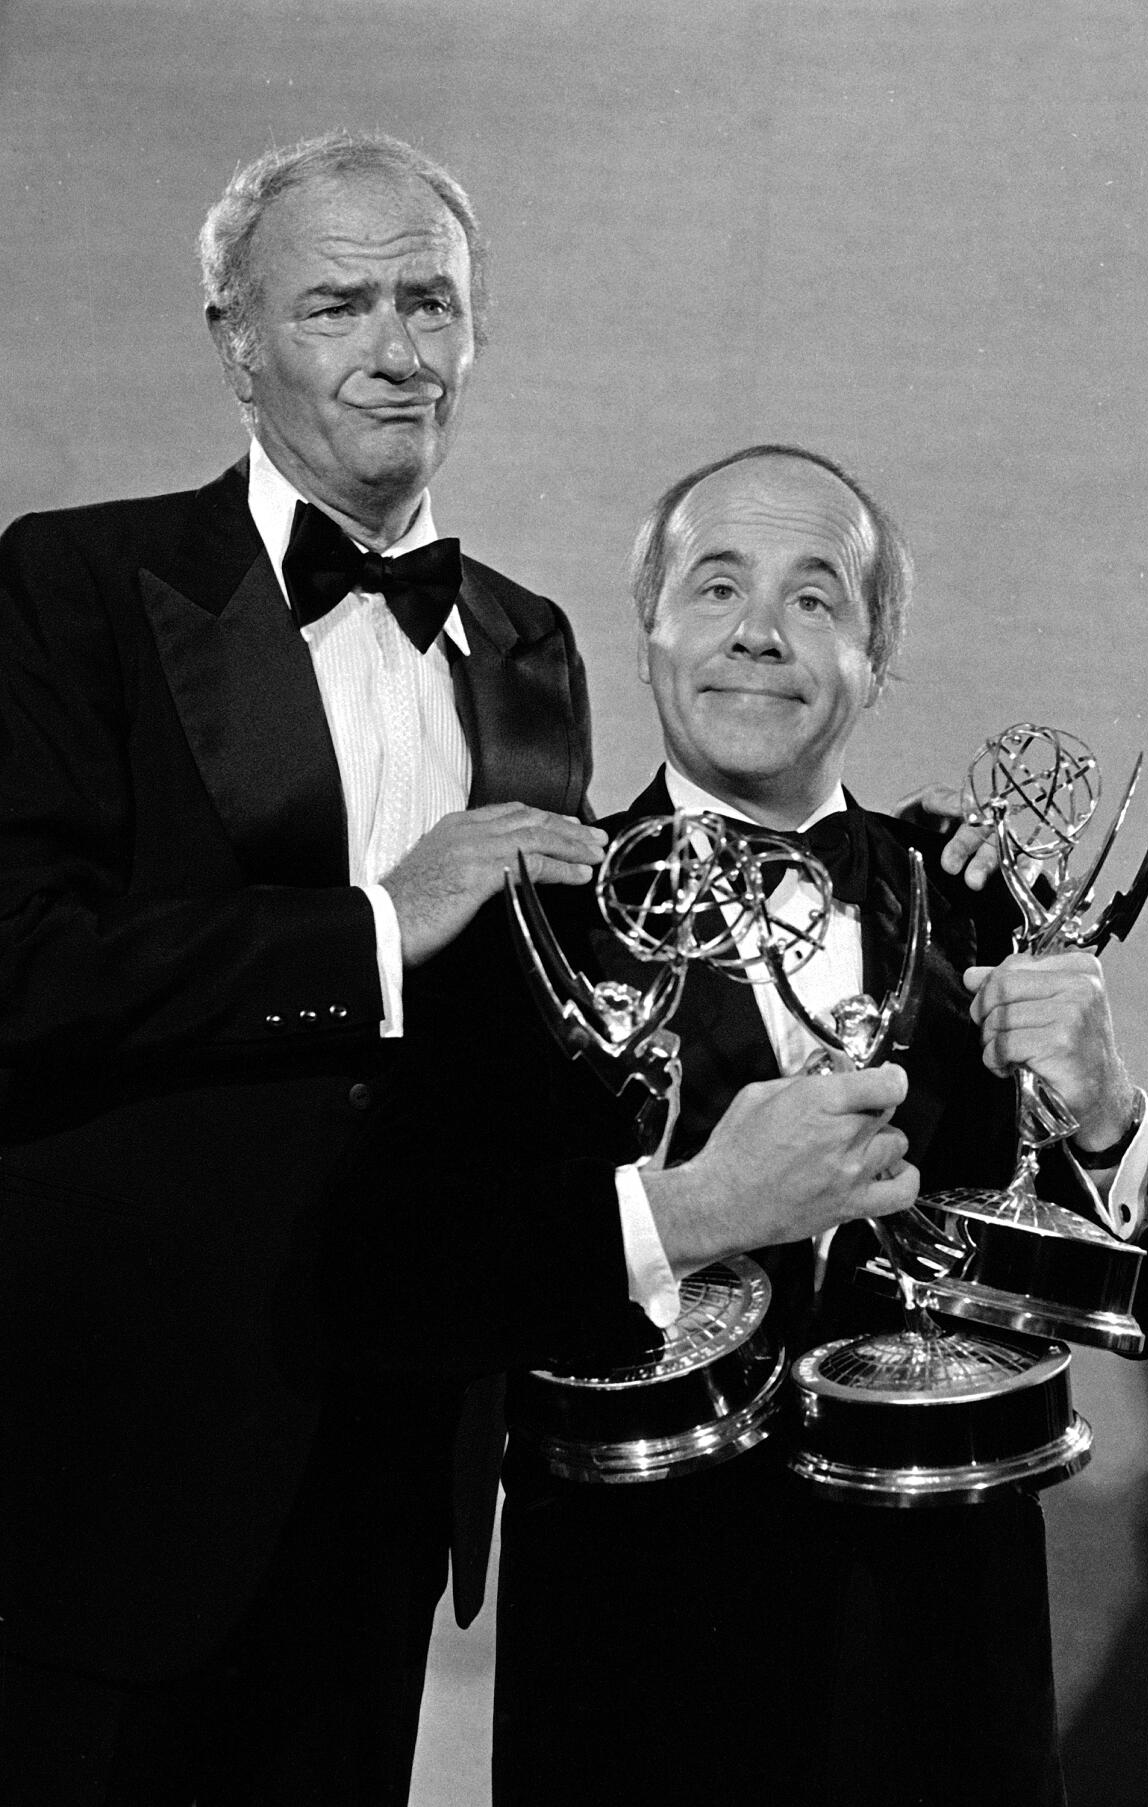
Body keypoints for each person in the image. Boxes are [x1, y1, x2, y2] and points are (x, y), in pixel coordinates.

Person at [0, 142, 921, 1804]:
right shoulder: (69, 587)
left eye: (431, 301)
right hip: (130, 1443)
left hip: (410, 1433)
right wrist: (374, 923)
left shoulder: (527, 639)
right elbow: (19, 972)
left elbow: (560, 1043)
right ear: (234, 337)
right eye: (338, 302)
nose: (397, 347)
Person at [493, 444, 1148, 1807]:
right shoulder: (533, 915)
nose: (759, 631)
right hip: (632, 1672)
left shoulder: (984, 900)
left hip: (934, 1673)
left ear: (878, 660)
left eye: (817, 600)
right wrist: (701, 1208)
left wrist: (1107, 1110)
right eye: (715, 587)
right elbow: (425, 1278)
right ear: (647, 629)